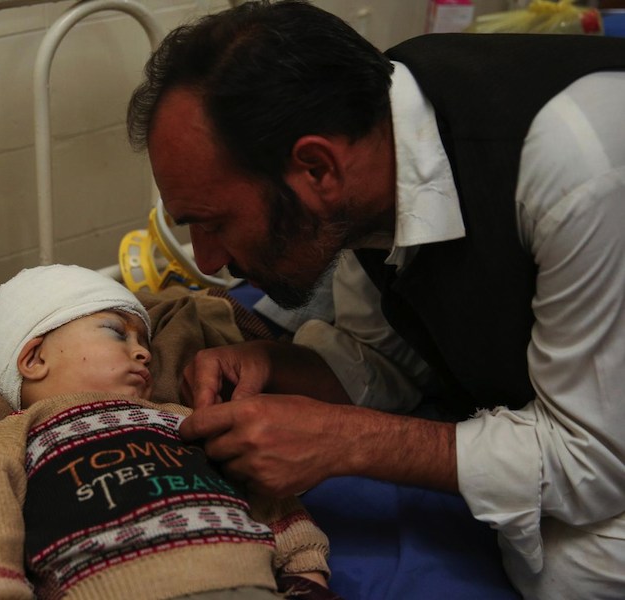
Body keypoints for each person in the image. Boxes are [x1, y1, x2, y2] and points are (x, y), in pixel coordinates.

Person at [125, 1, 625, 599]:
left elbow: (595, 461)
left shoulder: (579, 164)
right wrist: (279, 366)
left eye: (215, 223)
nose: (206, 262)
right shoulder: (374, 149)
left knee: (569, 569)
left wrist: (346, 439)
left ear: (317, 168)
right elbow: (393, 352)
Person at [0, 264, 339, 600]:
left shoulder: (182, 418)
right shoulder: (16, 436)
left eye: (143, 340)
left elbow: (260, 481)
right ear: (35, 358)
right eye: (115, 332)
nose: (144, 351)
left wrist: (305, 568)